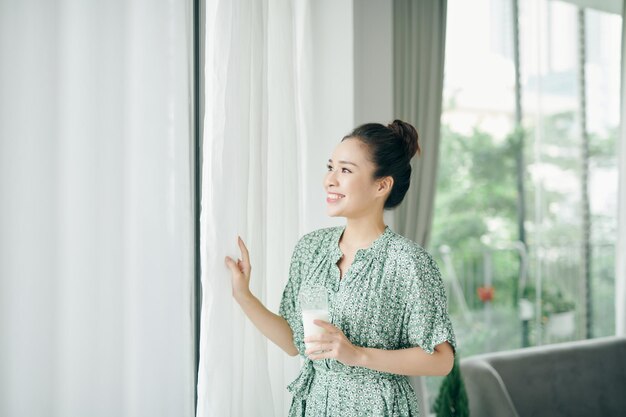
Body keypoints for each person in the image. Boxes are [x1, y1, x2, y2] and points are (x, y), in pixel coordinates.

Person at [225, 120, 456, 417]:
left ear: (382, 185)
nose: (329, 180)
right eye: (330, 167)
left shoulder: (408, 260)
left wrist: (357, 355)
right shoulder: (311, 249)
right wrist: (244, 295)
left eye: (345, 170)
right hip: (316, 404)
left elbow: (441, 360)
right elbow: (295, 342)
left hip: (378, 408)